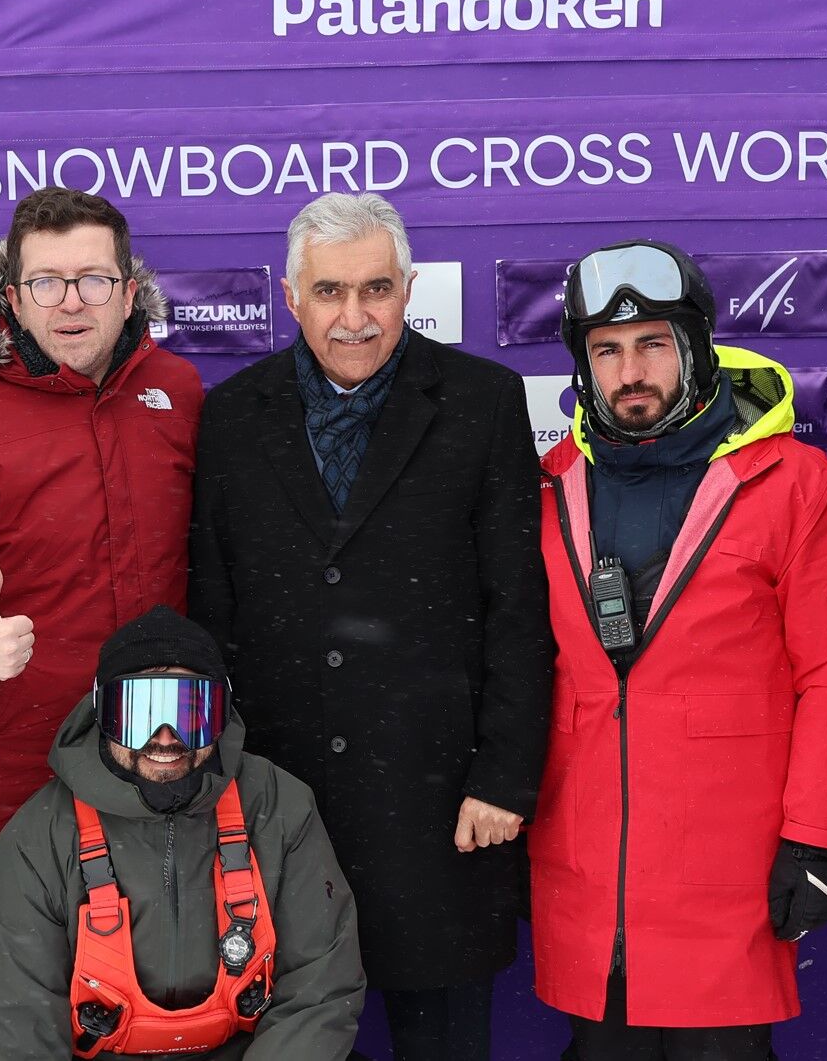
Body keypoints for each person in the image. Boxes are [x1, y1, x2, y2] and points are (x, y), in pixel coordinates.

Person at [188, 192, 551, 1060]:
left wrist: (504, 778)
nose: (354, 317)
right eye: (329, 292)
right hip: (282, 812)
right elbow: (215, 609)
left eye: (377, 290)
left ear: (409, 287)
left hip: (443, 810)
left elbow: (519, 609)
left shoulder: (482, 403)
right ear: (290, 296)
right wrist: (217, 792)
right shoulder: (233, 416)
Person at [527, 240, 827, 1058]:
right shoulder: (546, 483)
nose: (629, 372)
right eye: (606, 351)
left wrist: (817, 835)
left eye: (652, 344)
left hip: (727, 874)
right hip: (587, 872)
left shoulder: (794, 483)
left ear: (696, 347)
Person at [0, 186, 202, 1056]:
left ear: (129, 291)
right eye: (48, 282)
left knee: (149, 1026)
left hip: (154, 784)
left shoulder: (176, 392)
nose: (71, 302)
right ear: (12, 296)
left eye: (93, 280)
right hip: (6, 799)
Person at [0, 606, 365, 1058]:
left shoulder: (279, 806)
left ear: (222, 712)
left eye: (191, 713)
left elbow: (319, 990)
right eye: (138, 712)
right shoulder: (41, 835)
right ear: (102, 714)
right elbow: (10, 1020)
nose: (165, 737)